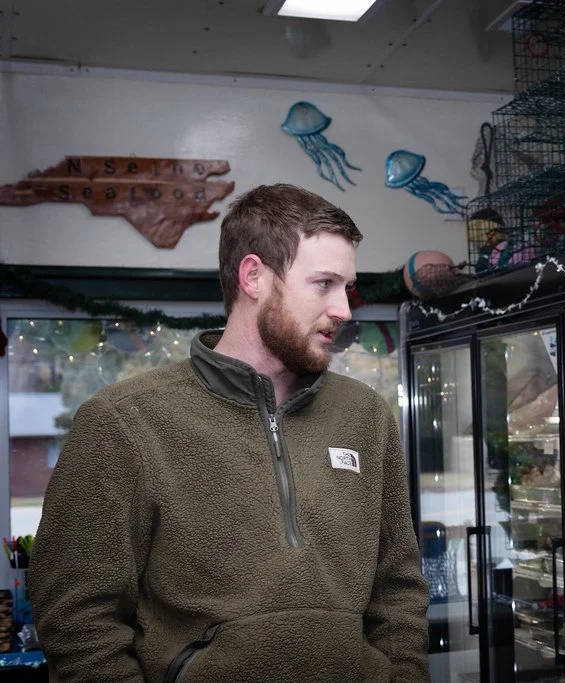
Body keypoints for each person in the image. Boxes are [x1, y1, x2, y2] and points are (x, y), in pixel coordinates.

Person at [30, 184, 430, 681]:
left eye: (347, 288)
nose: (345, 310)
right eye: (324, 283)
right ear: (254, 277)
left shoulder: (365, 415)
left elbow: (398, 590)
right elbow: (76, 617)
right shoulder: (123, 421)